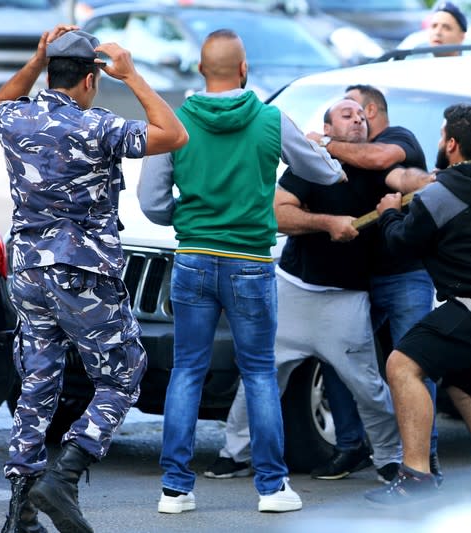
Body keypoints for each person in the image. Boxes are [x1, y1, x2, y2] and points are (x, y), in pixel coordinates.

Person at [136, 29, 345, 515]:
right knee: (258, 374)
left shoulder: (177, 121)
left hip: (192, 259)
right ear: (244, 69)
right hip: (250, 261)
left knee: (187, 369)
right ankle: (272, 489)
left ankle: (175, 490)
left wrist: (187, 220)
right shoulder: (271, 119)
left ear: (202, 71)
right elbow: (324, 173)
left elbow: (151, 202)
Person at [0, 25, 189, 533]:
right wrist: (134, 76)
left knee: (38, 382)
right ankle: (65, 476)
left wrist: (37, 58)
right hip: (81, 273)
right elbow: (173, 134)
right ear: (89, 80)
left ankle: (20, 513)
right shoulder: (97, 125)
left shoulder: (16, 119)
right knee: (123, 373)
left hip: (29, 272)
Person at [204, 98, 403, 486]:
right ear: (327, 129)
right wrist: (328, 222)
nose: (358, 120)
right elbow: (276, 213)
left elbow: (407, 177)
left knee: (368, 387)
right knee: (259, 377)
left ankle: (390, 458)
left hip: (347, 300)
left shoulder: (383, 169)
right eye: (347, 115)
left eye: (363, 116)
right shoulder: (312, 164)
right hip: (293, 291)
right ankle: (236, 453)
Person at [365, 103, 471, 504]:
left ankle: (416, 480)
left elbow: (401, 245)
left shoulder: (437, 197)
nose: (440, 141)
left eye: (444, 135)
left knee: (402, 364)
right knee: (464, 387)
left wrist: (390, 212)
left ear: (452, 143)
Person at [305, 84, 441, 483]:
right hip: (356, 280)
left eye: (355, 110)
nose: (354, 118)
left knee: (415, 363)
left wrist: (324, 141)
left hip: (404, 276)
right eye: (343, 113)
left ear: (369, 110)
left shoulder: (396, 140)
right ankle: (351, 446)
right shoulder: (336, 158)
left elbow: (388, 163)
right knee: (335, 355)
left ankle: (425, 458)